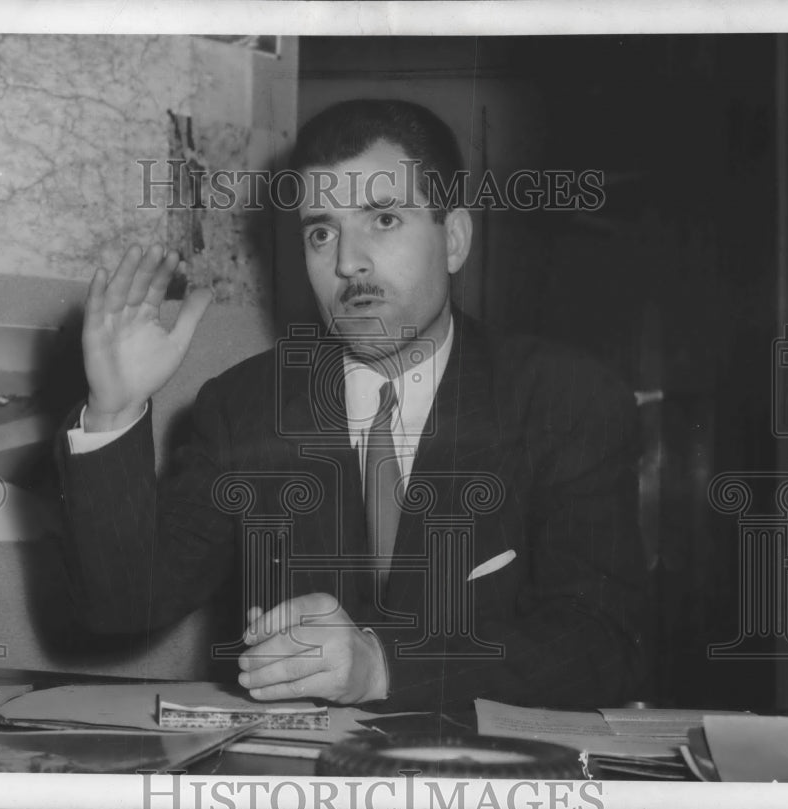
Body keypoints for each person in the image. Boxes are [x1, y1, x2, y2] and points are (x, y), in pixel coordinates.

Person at [56, 99, 647, 713]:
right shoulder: (244, 409)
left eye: (384, 220)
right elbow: (122, 607)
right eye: (322, 231)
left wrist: (381, 666)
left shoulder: (564, 400)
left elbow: (604, 643)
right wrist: (114, 414)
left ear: (455, 240)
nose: (346, 262)